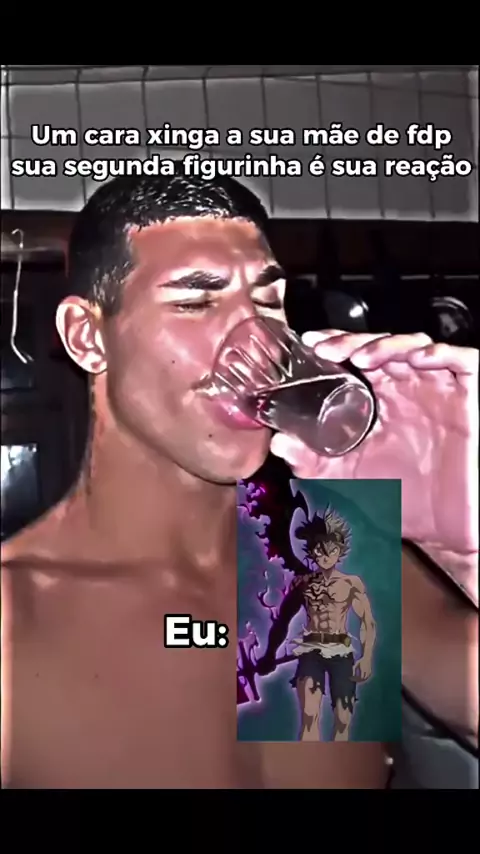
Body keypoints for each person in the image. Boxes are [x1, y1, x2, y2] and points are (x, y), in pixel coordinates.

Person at [1, 170, 478, 788]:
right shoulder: (16, 617)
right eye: (196, 302)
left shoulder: (338, 563)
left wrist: (469, 543)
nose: (257, 343)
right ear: (89, 337)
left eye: (268, 302)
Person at [256, 505, 376, 742]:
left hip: (341, 653)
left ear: (338, 550)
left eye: (329, 548)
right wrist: (269, 655)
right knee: (309, 717)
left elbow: (367, 622)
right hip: (311, 652)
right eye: (318, 548)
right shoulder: (303, 585)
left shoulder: (351, 585)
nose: (324, 554)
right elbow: (283, 622)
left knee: (343, 720)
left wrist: (366, 657)